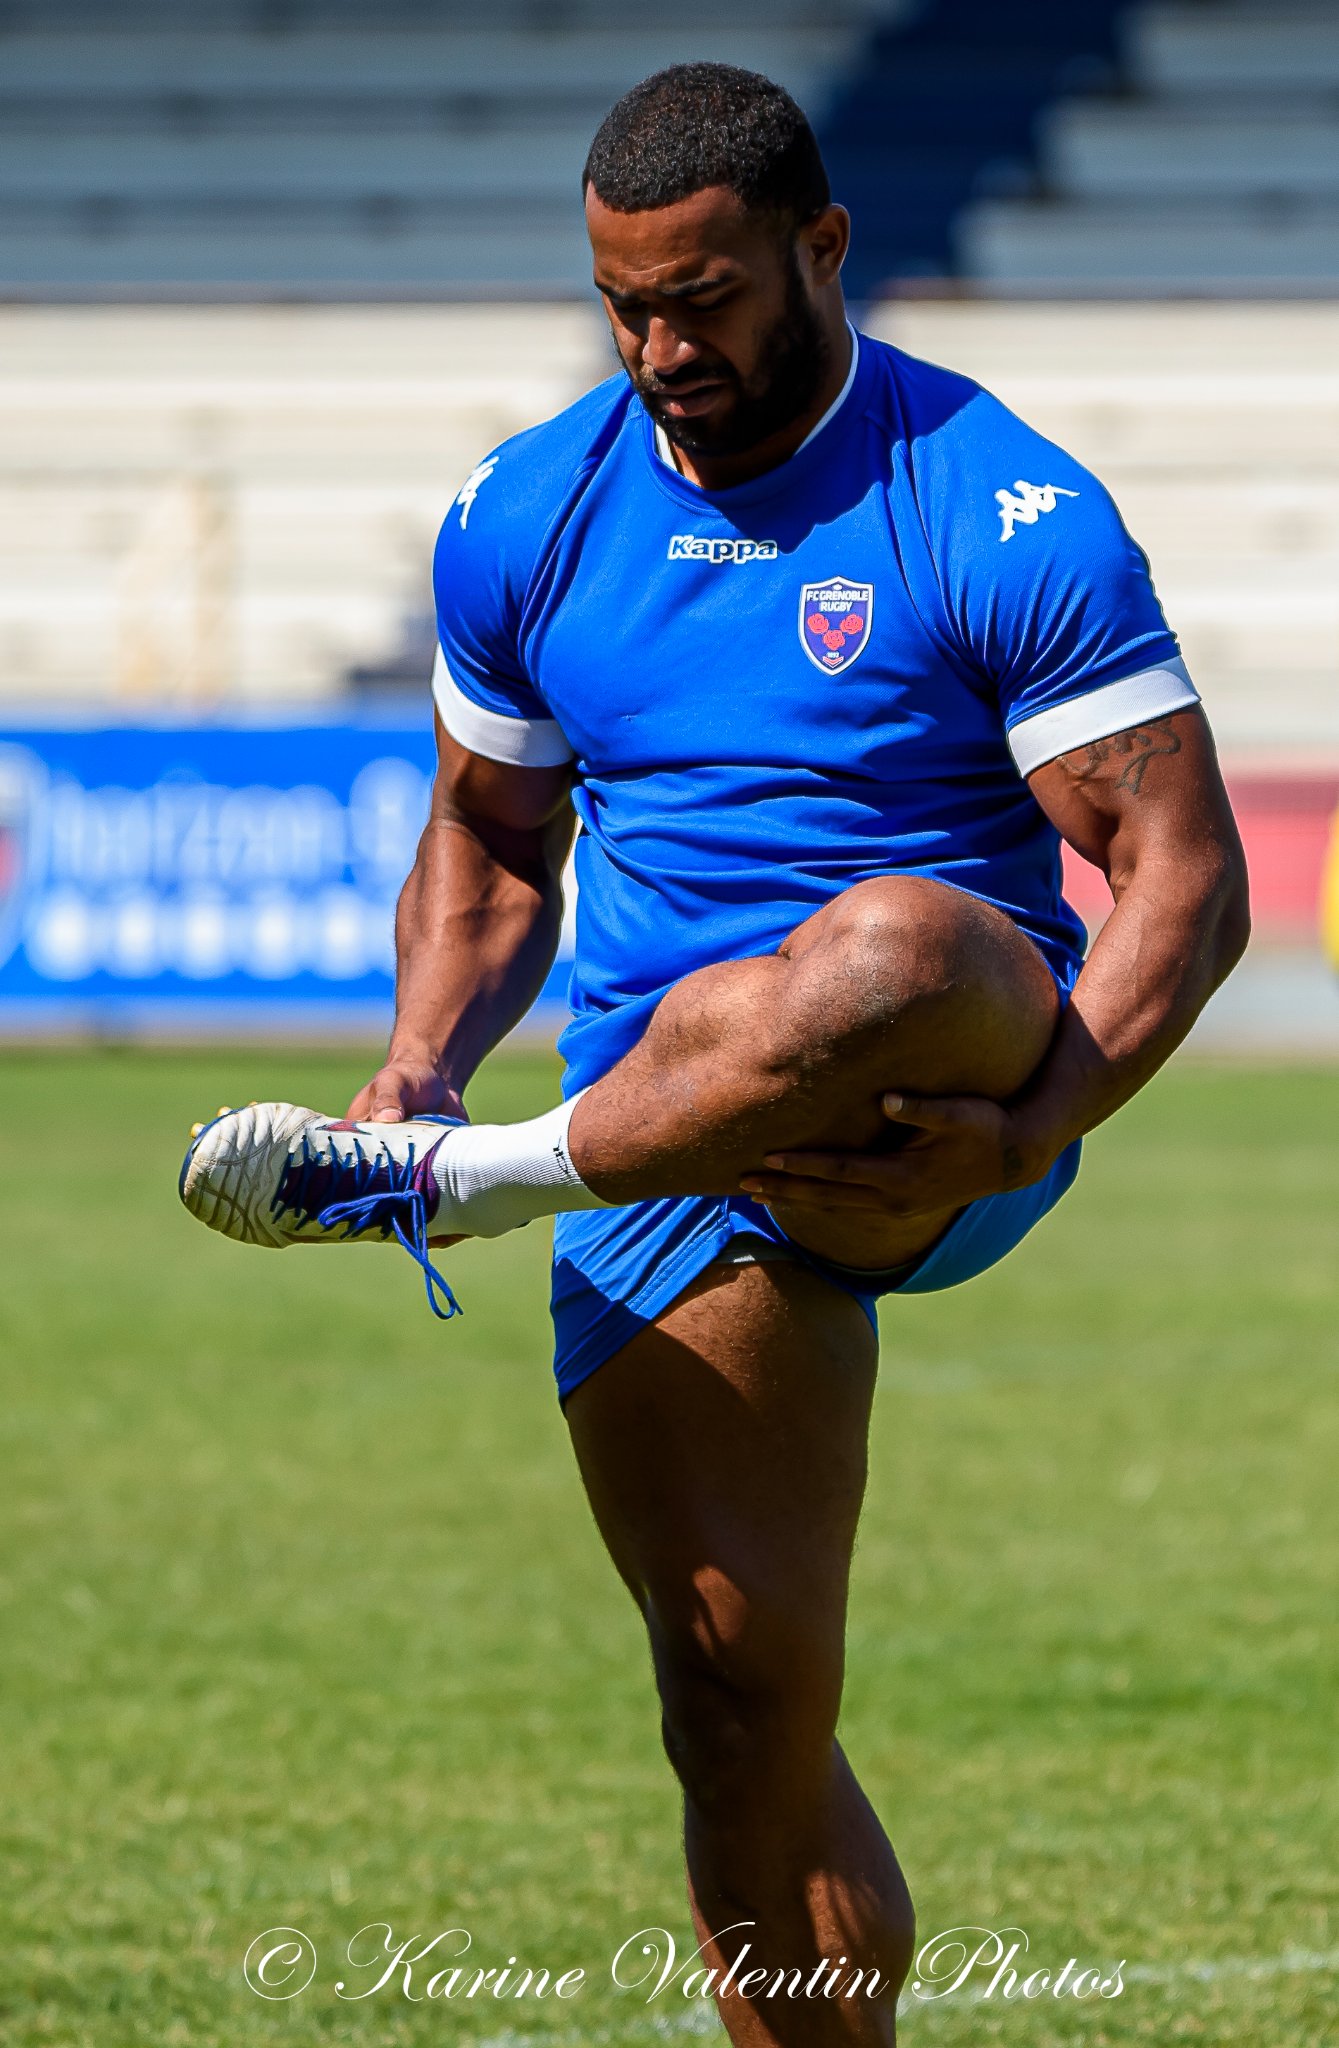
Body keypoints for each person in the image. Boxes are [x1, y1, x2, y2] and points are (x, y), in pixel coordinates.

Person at [181, 64, 1249, 2046]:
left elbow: (1178, 868)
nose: (663, 348)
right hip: (668, 1139)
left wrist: (1033, 1129)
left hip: (941, 1066)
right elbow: (494, 843)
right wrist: (418, 1057)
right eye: (624, 307)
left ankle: (472, 1188)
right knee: (736, 1706)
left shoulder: (996, 498)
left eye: (706, 299)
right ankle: (453, 1149)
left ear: (820, 250)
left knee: (886, 938)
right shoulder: (527, 513)